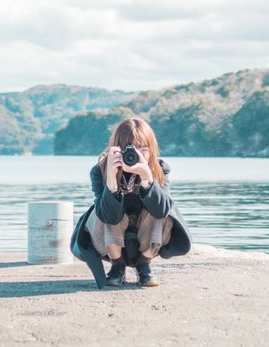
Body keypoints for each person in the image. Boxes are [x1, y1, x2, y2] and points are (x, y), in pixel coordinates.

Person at [70, 118, 191, 288]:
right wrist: (111, 179)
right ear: (116, 149)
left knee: (162, 211)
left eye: (143, 149)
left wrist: (147, 178)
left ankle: (144, 265)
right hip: (109, 240)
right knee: (102, 211)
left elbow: (162, 211)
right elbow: (108, 216)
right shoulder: (100, 170)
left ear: (152, 149)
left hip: (147, 237)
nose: (136, 155)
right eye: (130, 150)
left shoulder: (159, 168)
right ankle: (117, 266)